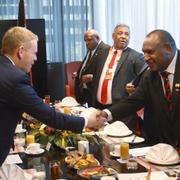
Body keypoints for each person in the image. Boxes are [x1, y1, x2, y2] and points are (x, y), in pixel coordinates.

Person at [0, 26, 105, 166]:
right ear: (20, 51)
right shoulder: (15, 78)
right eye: (34, 53)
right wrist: (86, 121)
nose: (35, 58)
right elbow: (50, 117)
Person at [100, 29, 180, 148]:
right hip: (159, 148)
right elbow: (134, 101)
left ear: (167, 49)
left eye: (150, 52)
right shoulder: (150, 74)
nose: (146, 58)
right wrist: (106, 114)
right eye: (144, 53)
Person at [91, 24, 146, 130]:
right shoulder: (101, 54)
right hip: (99, 107)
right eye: (120, 33)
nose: (123, 36)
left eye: (127, 34)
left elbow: (145, 79)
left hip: (122, 112)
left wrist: (134, 89)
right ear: (113, 36)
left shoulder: (136, 57)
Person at [75, 29, 110, 106]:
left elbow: (108, 71)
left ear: (97, 38)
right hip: (88, 91)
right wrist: (79, 73)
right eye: (85, 41)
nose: (87, 43)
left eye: (89, 40)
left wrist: (93, 77)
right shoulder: (92, 49)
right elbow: (88, 66)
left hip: (97, 92)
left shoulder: (106, 49)